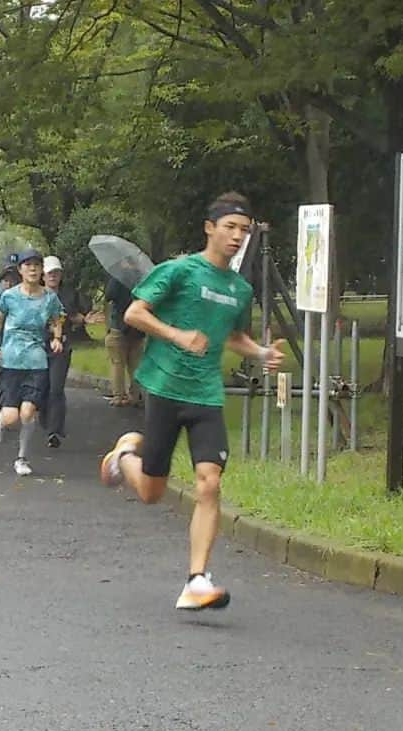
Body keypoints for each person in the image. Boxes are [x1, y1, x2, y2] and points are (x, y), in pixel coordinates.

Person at [98, 192, 285, 611]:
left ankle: (196, 579)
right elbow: (135, 314)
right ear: (210, 228)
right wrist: (178, 335)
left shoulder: (239, 289)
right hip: (165, 387)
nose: (238, 237)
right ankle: (125, 455)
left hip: (206, 395)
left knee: (210, 481)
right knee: (150, 492)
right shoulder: (180, 271)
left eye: (245, 230)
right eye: (230, 227)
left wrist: (260, 353)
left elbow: (232, 335)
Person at [0, 249, 65, 477]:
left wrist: (56, 338)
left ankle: (22, 457)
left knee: (28, 412)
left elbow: (57, 318)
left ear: (41, 270)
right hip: (11, 360)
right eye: (27, 265)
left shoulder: (50, 298)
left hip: (36, 361)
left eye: (36, 265)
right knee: (12, 416)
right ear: (20, 270)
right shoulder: (9, 296)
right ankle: (1, 422)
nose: (32, 269)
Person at [40, 255, 90, 448]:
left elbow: (76, 316)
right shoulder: (36, 294)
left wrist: (84, 319)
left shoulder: (69, 294)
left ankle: (55, 429)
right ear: (43, 276)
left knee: (56, 387)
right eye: (50, 273)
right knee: (42, 388)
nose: (53, 276)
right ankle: (46, 418)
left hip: (62, 345)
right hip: (39, 345)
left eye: (56, 273)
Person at [104, 276, 145, 407]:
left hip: (119, 325)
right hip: (138, 327)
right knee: (135, 364)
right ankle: (135, 395)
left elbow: (109, 295)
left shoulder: (118, 277)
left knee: (117, 363)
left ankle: (119, 396)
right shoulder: (143, 277)